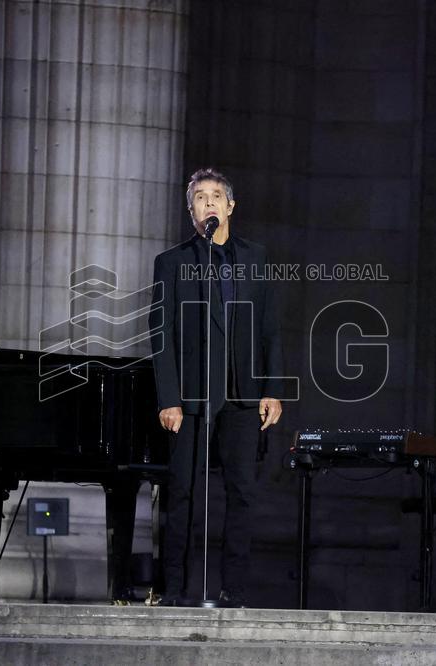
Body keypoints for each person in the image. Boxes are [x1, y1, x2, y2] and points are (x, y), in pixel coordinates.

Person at [149, 168, 284, 607]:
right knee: (185, 492)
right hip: (190, 397)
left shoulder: (257, 258)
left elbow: (270, 330)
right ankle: (174, 589)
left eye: (215, 196)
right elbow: (161, 333)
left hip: (243, 395)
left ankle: (234, 591)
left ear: (230, 206)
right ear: (191, 211)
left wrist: (272, 388)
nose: (208, 203)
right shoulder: (172, 262)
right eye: (199, 198)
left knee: (241, 492)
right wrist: (168, 398)